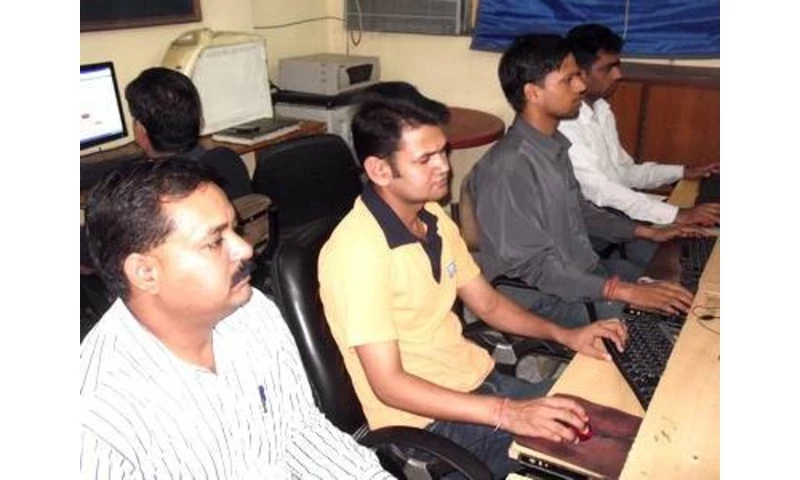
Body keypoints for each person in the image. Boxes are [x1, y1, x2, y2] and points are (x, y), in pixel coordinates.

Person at [318, 82, 628, 478]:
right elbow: (389, 385)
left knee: (607, 416)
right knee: (594, 460)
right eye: (425, 159)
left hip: (479, 385)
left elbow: (489, 304)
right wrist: (507, 413)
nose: (444, 166)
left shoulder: (431, 216)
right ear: (380, 170)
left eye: (442, 151)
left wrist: (566, 335)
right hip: (427, 426)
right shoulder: (357, 253)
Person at [80, 158, 393, 479]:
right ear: (145, 273)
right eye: (215, 242)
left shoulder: (251, 312)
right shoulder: (96, 415)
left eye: (235, 229)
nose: (245, 249)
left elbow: (300, 431)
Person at [470, 33, 706, 329]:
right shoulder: (510, 167)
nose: (581, 86)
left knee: (688, 291)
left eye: (579, 76)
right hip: (544, 297)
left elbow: (581, 211)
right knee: (673, 324)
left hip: (582, 275)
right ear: (533, 93)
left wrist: (646, 231)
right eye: (568, 80)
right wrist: (623, 291)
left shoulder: (551, 145)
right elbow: (534, 268)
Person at [558, 23, 720, 226]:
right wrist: (678, 214)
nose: (618, 75)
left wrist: (682, 172)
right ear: (578, 73)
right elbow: (598, 189)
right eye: (608, 68)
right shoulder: (565, 124)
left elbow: (625, 172)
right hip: (589, 224)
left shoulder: (601, 109)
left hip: (615, 212)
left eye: (617, 66)